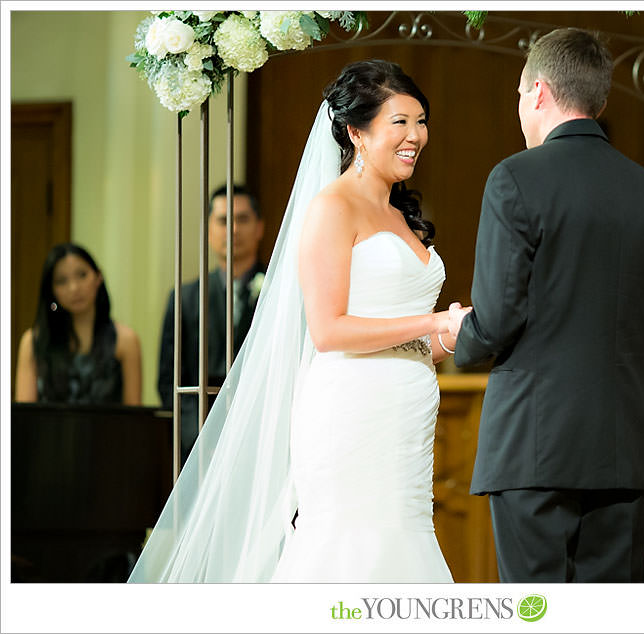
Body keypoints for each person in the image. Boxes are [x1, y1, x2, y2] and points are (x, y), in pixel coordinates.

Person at [129, 59, 468, 583]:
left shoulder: (403, 216)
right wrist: (429, 322)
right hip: (351, 412)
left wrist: (450, 335)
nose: (415, 136)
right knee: (349, 551)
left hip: (407, 418)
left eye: (421, 121)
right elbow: (329, 330)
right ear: (356, 131)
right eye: (399, 122)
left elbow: (411, 341)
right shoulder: (332, 207)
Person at [452, 27, 644, 582]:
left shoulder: (515, 178)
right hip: (623, 449)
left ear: (538, 91)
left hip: (535, 445)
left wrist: (463, 334)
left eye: (520, 96)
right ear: (598, 101)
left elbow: (499, 315)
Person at [156, 184, 266, 460]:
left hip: (263, 436)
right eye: (223, 220)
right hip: (200, 445)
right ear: (208, 229)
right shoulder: (185, 298)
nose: (234, 229)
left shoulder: (280, 291)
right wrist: (201, 438)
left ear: (259, 228)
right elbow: (169, 381)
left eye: (242, 219)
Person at [15, 242, 142, 405]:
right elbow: (26, 417)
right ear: (52, 291)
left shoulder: (126, 340)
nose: (74, 288)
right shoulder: (33, 342)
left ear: (98, 277)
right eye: (62, 281)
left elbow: (134, 419)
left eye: (82, 275)